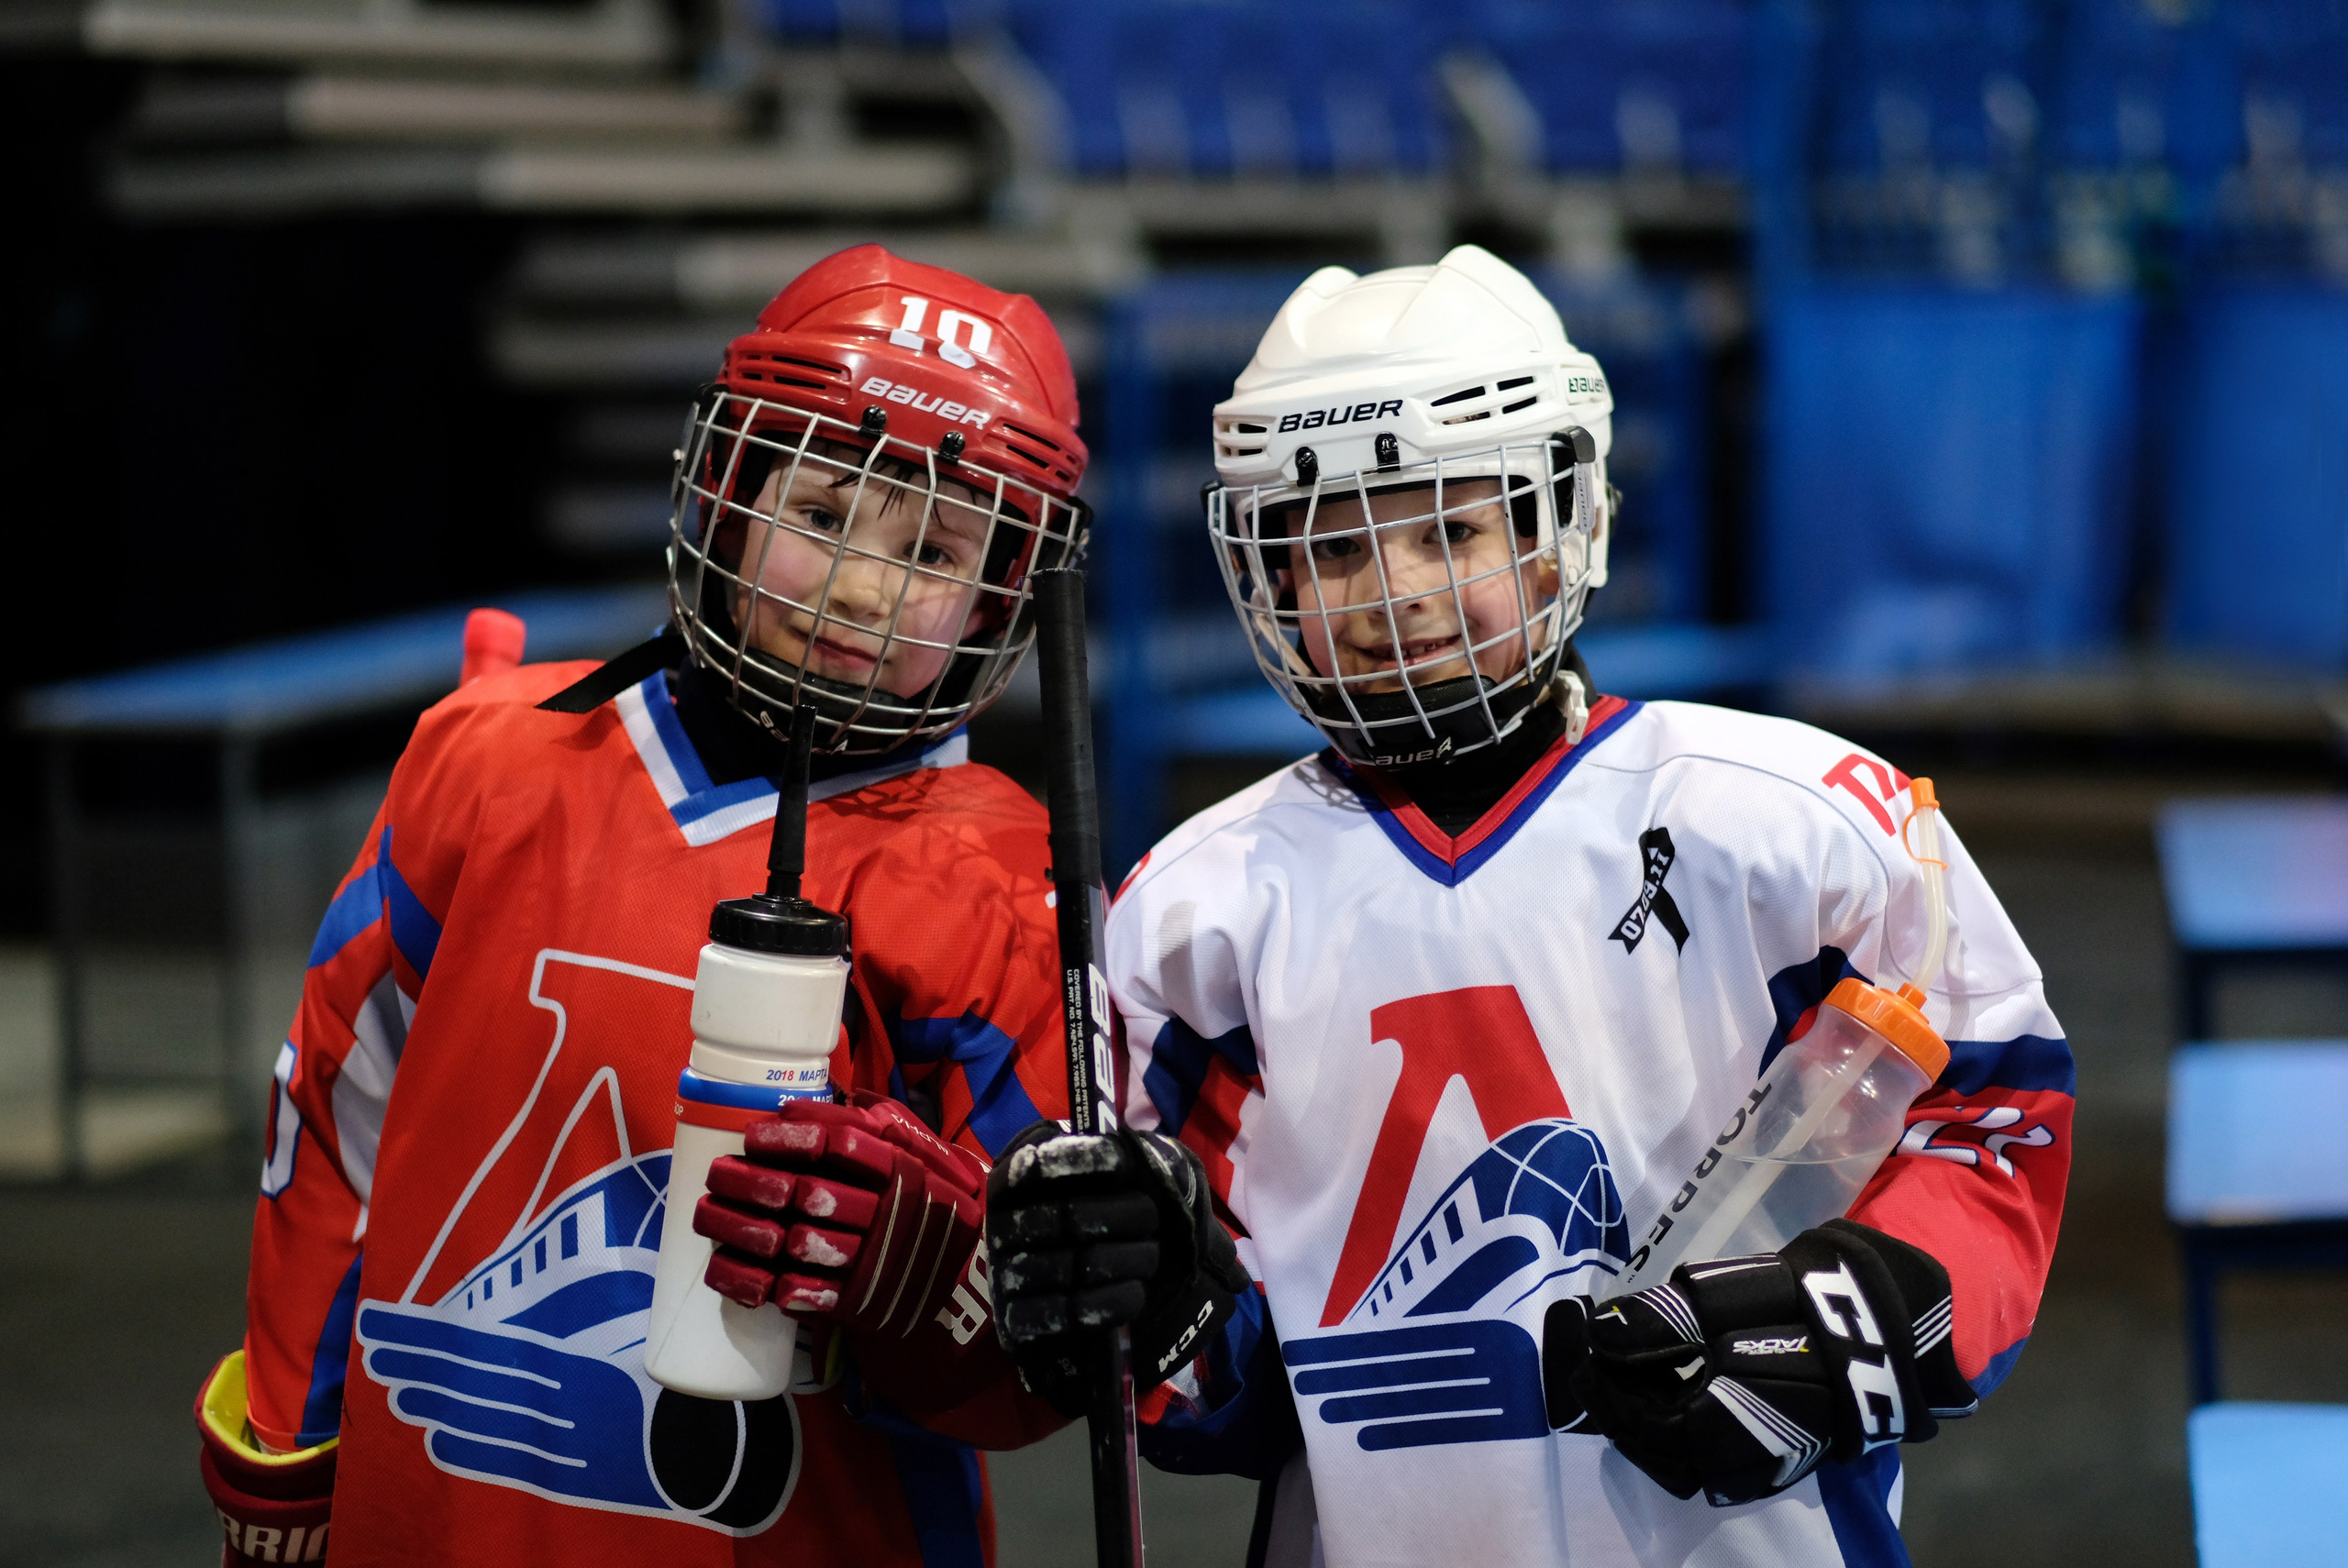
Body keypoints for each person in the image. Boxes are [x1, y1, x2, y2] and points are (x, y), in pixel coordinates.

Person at [981, 246, 2074, 1566]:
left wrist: (1865, 1309)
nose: (1396, 596)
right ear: (1261, 571)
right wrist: (1150, 1309)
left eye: (1451, 526)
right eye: (1333, 547)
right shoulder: (1196, 916)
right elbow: (1213, 1380)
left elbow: (1994, 1116)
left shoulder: (1794, 822)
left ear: (1564, 515)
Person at [195, 244, 1096, 1567]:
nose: (861, 587)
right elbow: (340, 1108)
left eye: (934, 549)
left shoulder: (1007, 888)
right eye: (825, 509)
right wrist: (290, 1426)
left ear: (1002, 588)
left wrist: (926, 1268)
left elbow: (1045, 1367)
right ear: (730, 493)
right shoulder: (492, 754)